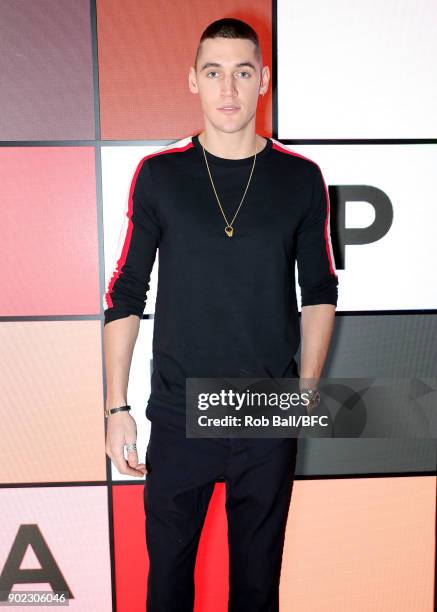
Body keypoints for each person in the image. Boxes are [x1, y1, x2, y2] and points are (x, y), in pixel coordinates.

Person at [103, 17, 338, 612]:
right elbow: (126, 295)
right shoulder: (159, 176)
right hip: (181, 411)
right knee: (168, 589)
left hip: (267, 410)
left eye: (241, 72)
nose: (227, 89)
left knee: (258, 590)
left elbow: (318, 292)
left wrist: (305, 394)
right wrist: (116, 408)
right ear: (193, 81)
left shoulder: (302, 180)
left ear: (263, 80)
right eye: (214, 73)